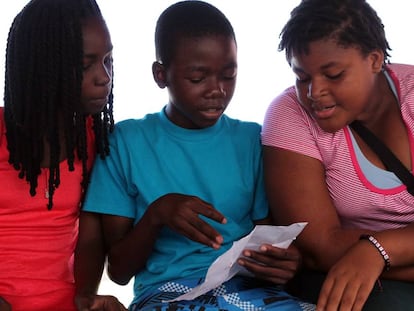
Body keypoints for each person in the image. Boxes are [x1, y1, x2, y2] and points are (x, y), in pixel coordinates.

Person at [78, 1, 316, 310]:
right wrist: (157, 215)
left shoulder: (251, 140)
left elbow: (268, 238)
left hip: (249, 292)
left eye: (228, 76)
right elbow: (119, 272)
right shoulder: (125, 143)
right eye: (197, 78)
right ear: (161, 74)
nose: (216, 90)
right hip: (166, 296)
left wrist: (285, 263)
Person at [261, 0, 414, 310]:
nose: (314, 92)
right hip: (349, 272)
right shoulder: (289, 115)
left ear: (374, 60)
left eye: (333, 75)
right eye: (302, 77)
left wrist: (377, 250)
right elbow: (320, 247)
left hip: (370, 259)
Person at [0, 0, 126, 310]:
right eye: (86, 65)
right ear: (44, 68)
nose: (104, 77)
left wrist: (87, 296)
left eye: (108, 60)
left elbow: (91, 233)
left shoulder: (98, 141)